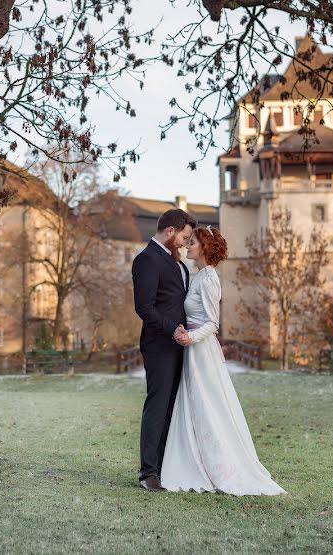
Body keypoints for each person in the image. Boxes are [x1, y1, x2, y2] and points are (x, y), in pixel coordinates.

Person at [160, 225, 286, 496]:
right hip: (193, 348)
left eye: (191, 242)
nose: (186, 246)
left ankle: (219, 467)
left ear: (204, 248)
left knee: (207, 406)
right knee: (196, 404)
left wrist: (190, 338)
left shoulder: (208, 279)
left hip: (201, 351)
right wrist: (184, 331)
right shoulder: (198, 276)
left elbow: (212, 323)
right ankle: (196, 459)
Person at [131, 208, 196, 492]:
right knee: (157, 406)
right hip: (159, 345)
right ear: (170, 231)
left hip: (182, 345)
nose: (184, 242)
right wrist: (172, 329)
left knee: (172, 407)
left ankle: (165, 466)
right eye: (184, 236)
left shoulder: (179, 265)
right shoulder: (146, 260)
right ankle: (148, 473)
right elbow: (144, 308)